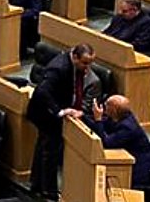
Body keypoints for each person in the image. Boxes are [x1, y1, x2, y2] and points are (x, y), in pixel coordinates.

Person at [31, 44, 100, 199]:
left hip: (46, 111)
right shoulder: (60, 68)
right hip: (46, 113)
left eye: (90, 63)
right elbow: (43, 91)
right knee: (49, 152)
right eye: (85, 63)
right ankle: (49, 191)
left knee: (43, 148)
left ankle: (37, 185)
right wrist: (59, 111)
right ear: (75, 57)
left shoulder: (70, 63)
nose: (88, 67)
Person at [80, 95, 150, 188]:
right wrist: (82, 116)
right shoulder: (118, 116)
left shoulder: (128, 127)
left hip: (139, 170)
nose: (104, 107)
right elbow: (101, 126)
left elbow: (106, 143)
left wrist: (98, 120)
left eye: (107, 105)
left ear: (114, 110)